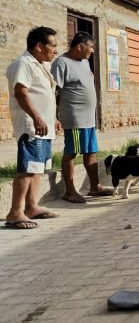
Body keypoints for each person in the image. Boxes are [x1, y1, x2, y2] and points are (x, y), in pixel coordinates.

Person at [4, 27, 61, 229]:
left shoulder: (40, 65)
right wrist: (36, 117)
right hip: (31, 126)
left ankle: (31, 206)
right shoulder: (23, 64)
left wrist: (51, 118)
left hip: (43, 126)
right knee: (27, 169)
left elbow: (42, 94)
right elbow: (21, 92)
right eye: (52, 46)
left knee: (38, 168)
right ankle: (15, 212)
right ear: (38, 46)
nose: (56, 50)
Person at [51, 31, 114, 203]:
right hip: (75, 118)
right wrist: (54, 115)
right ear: (80, 46)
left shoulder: (85, 62)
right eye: (91, 47)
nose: (92, 51)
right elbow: (54, 91)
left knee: (91, 152)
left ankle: (95, 187)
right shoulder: (62, 63)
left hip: (88, 119)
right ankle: (70, 191)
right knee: (72, 152)